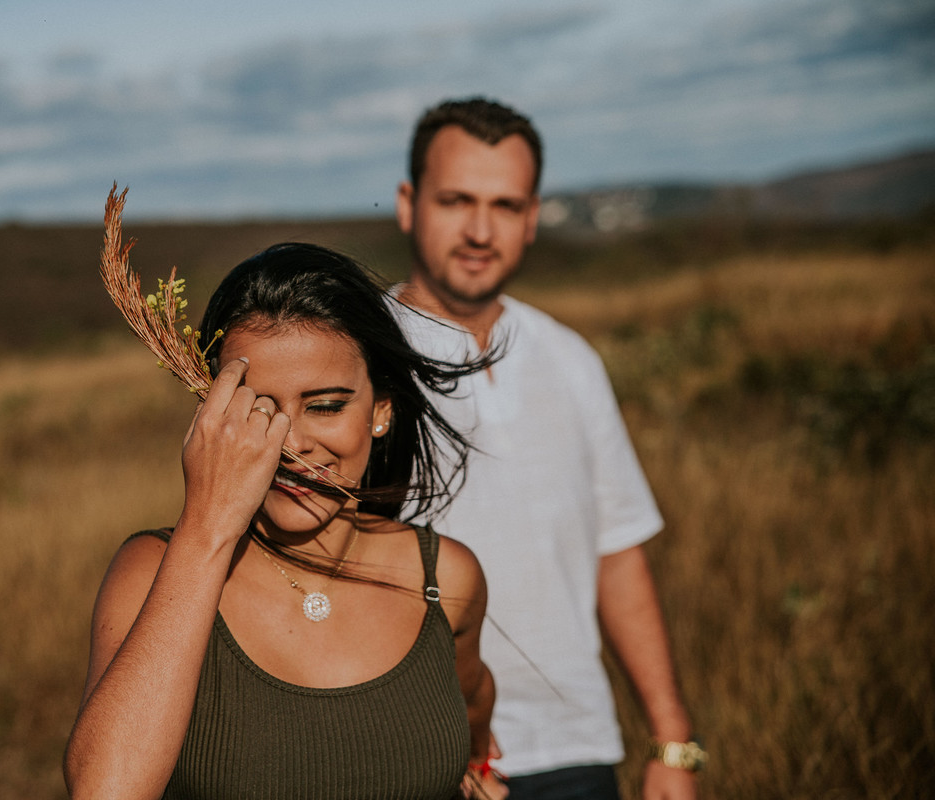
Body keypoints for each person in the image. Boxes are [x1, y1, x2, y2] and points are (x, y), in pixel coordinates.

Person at [64, 242, 509, 799]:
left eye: (325, 406)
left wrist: (480, 771)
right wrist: (208, 525)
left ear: (382, 411)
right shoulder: (154, 572)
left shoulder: (446, 577)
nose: (292, 444)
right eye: (259, 410)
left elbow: (473, 698)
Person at [390, 97, 703, 799]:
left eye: (504, 205)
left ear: (533, 218)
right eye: (455, 200)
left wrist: (672, 742)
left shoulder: (571, 359)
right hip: (425, 757)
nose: (478, 230)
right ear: (409, 204)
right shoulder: (359, 362)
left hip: (575, 750)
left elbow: (616, 554)